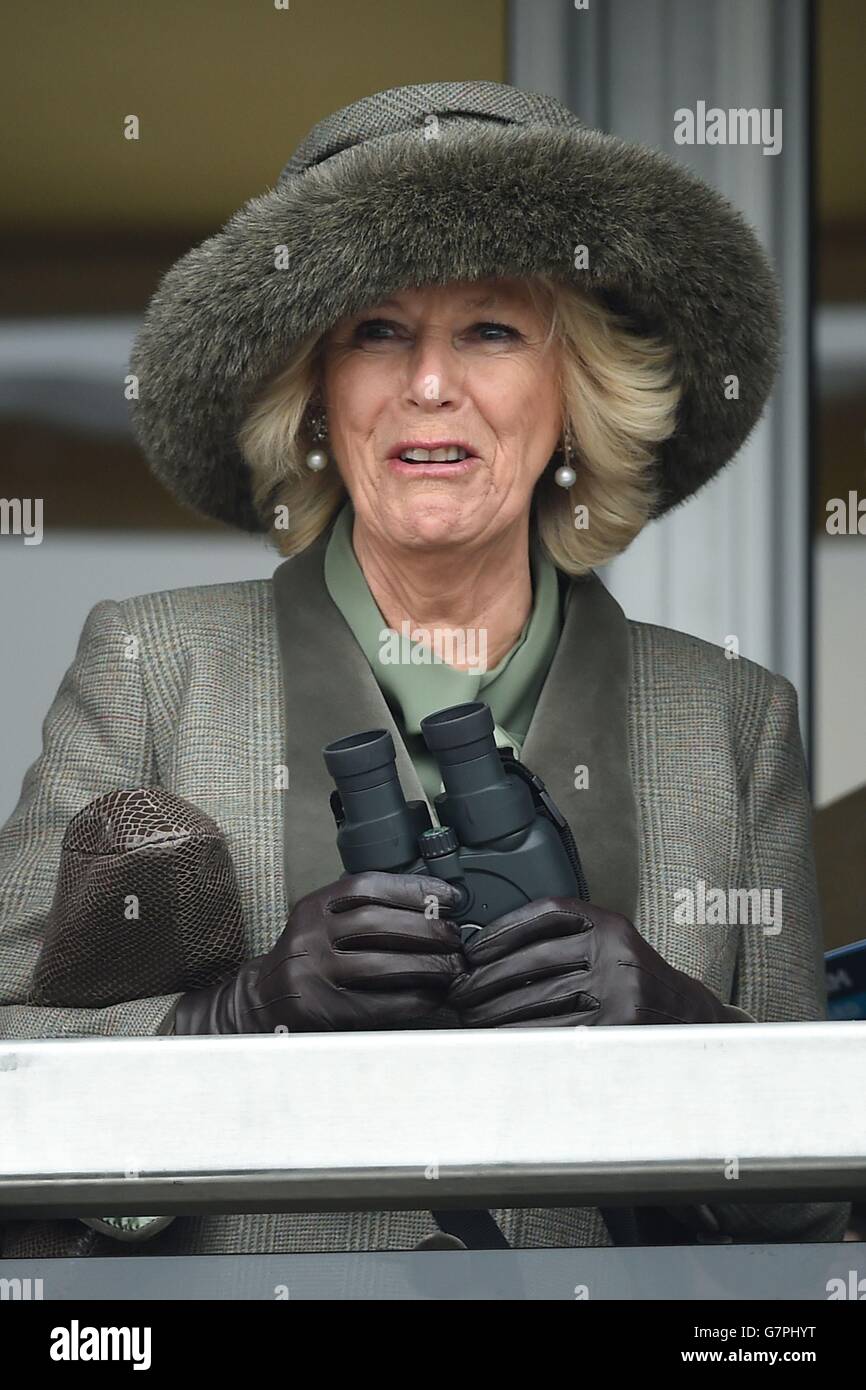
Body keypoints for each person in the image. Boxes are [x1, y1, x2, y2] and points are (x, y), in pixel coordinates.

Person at [0, 81, 849, 1256]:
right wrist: (238, 1015)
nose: (430, 385)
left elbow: (810, 1210)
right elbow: (11, 1075)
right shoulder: (153, 664)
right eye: (377, 332)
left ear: (576, 391)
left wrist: (675, 1024)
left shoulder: (728, 715)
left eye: (491, 330)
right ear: (314, 393)